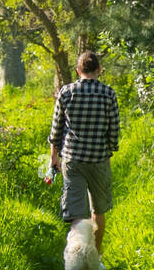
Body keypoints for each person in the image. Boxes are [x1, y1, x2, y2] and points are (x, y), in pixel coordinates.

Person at [48, 50, 121, 253]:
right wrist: (110, 148)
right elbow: (114, 130)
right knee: (98, 210)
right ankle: (94, 258)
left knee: (78, 214)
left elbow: (56, 130)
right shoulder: (108, 93)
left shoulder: (66, 92)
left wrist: (53, 157)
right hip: (99, 159)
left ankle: (79, 259)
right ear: (98, 70)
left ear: (78, 70)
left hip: (73, 160)